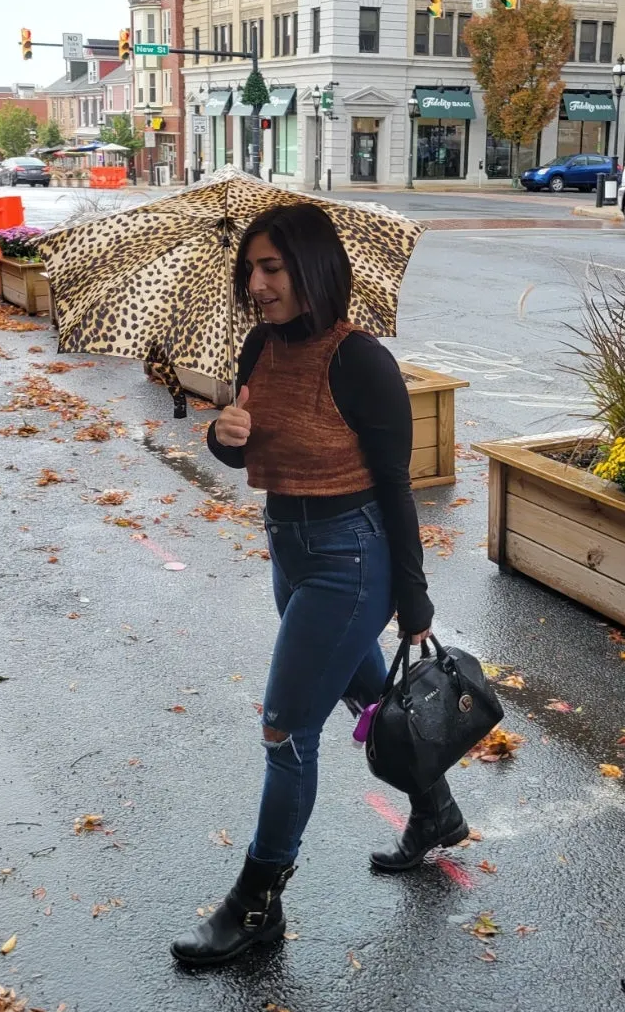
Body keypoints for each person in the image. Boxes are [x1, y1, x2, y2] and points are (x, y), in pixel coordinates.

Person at [171, 202, 468, 968]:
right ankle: (433, 808)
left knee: (284, 729)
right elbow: (244, 452)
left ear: (313, 268)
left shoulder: (359, 360)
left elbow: (398, 488)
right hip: (288, 548)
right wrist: (221, 437)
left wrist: (413, 600)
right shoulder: (258, 348)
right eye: (252, 269)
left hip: (351, 558)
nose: (258, 283)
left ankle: (256, 901)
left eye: (272, 268)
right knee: (365, 696)